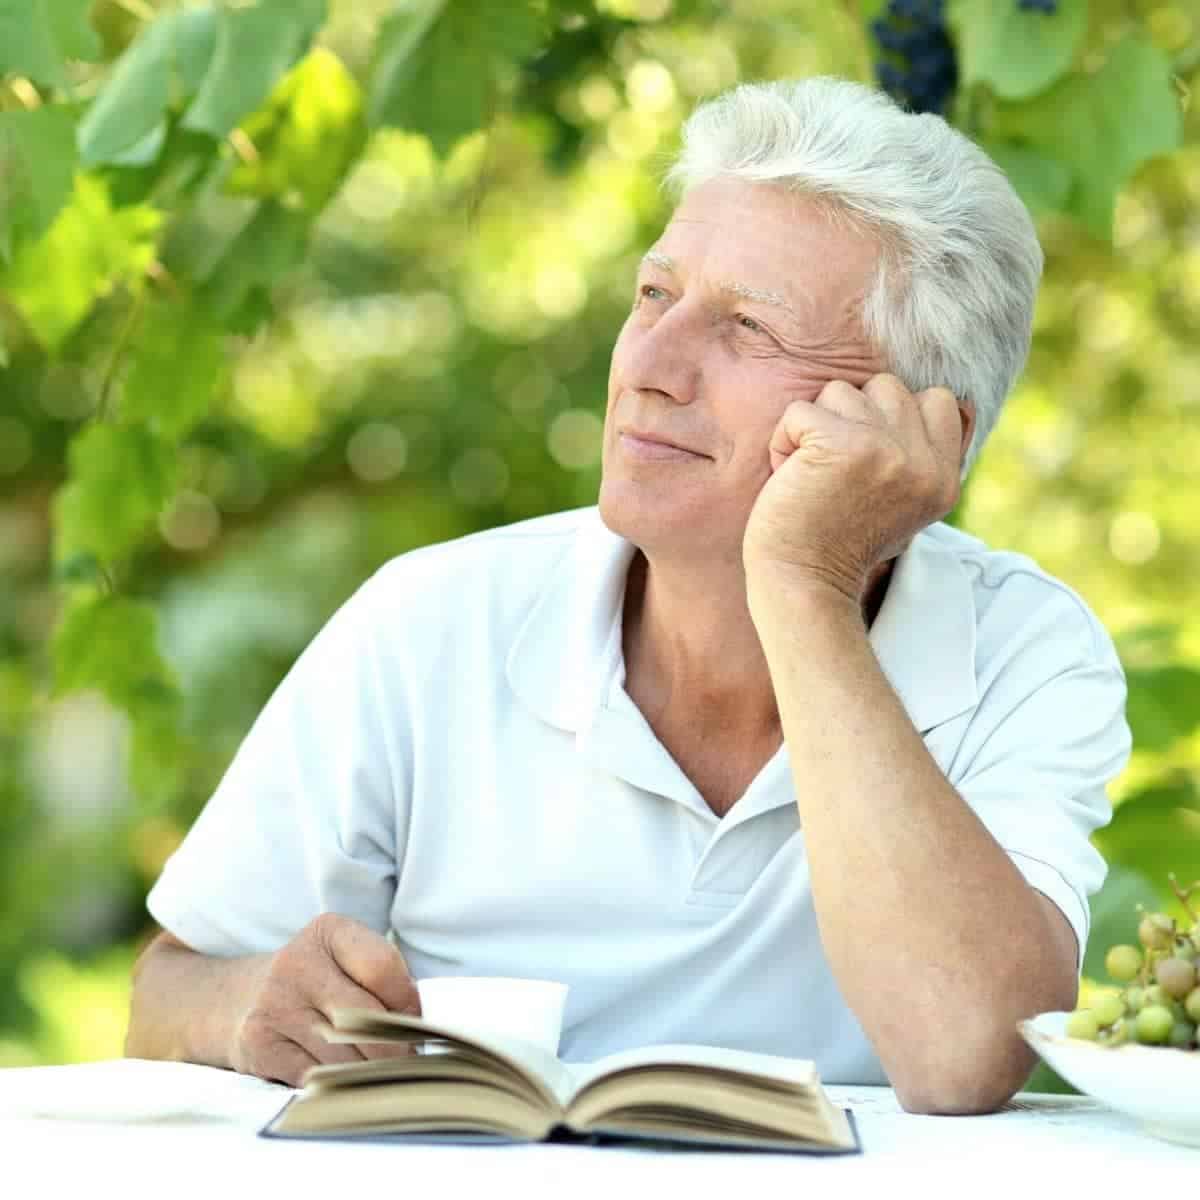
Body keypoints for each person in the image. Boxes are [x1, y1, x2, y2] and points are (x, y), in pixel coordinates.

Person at [125, 77, 1130, 1114]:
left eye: (748, 328)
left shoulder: (1023, 647)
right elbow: (165, 993)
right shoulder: (430, 619)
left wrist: (805, 587)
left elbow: (965, 1056)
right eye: (655, 296)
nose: (648, 364)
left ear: (922, 435)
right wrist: (247, 1004)